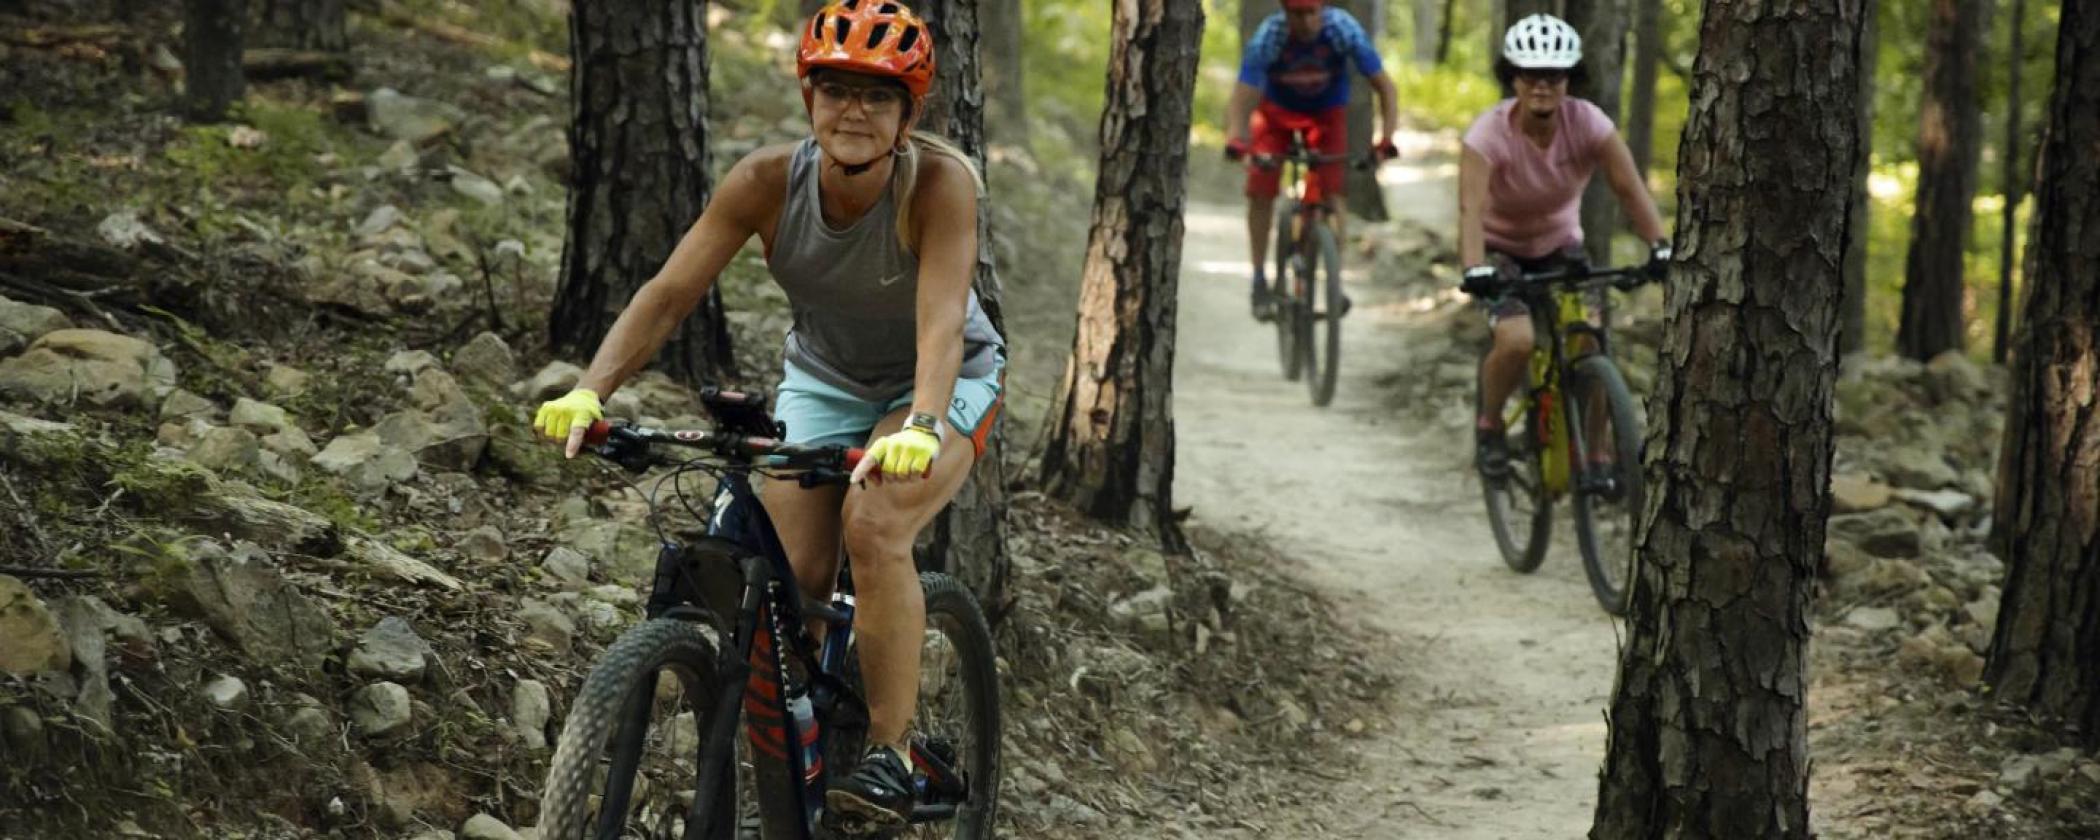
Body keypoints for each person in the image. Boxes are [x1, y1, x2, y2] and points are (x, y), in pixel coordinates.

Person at [530, 0, 1004, 828]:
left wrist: (923, 424)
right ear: (809, 100)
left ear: (908, 113)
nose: (855, 109)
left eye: (879, 95)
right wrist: (589, 391)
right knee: (786, 578)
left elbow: (939, 323)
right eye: (836, 90)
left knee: (876, 523)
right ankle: (803, 755)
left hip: (940, 382)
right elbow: (670, 293)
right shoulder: (763, 182)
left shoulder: (939, 184)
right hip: (825, 379)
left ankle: (891, 752)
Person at [1458, 13, 1670, 479]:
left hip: (1561, 246)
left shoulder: (1589, 123)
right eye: (1530, 73)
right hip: (1500, 250)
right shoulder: (1486, 134)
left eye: (1554, 75)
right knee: (1516, 341)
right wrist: (1475, 268)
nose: (1542, 85)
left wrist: (1659, 246)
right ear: (1512, 76)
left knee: (1589, 342)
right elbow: (1470, 210)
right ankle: (1490, 426)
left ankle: (1595, 455)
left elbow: (1630, 189)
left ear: (1569, 79)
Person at [1225, 0, 1401, 320]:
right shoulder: (1270, 35)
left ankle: (1335, 280)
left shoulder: (1342, 30)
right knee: (1260, 188)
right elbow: (1242, 94)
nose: (1305, 22)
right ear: (1284, 12)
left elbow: (1386, 88)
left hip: (1326, 114)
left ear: (1323, 10)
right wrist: (1236, 138)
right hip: (1276, 114)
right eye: (1296, 14)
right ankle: (1259, 280)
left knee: (1334, 194)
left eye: (1311, 13)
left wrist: (1386, 139)